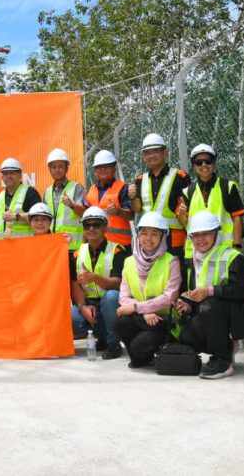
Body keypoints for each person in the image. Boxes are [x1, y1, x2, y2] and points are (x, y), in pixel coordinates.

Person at [176, 212, 244, 379]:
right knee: (186, 336)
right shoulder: (194, 259)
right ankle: (227, 347)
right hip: (212, 312)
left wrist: (209, 291)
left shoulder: (234, 257)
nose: (201, 239)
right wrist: (188, 303)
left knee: (210, 305)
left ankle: (223, 362)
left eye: (206, 233)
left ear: (217, 233)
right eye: (196, 235)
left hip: (238, 315)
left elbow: (242, 292)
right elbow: (197, 291)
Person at [113, 212, 182, 368]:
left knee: (140, 345)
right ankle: (139, 357)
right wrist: (144, 311)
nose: (148, 239)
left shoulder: (171, 261)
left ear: (162, 237)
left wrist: (138, 307)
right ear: (138, 235)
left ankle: (144, 353)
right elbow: (124, 298)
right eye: (144, 233)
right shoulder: (129, 262)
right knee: (119, 322)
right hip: (142, 317)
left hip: (163, 321)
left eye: (154, 234)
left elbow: (168, 298)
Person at [69, 207, 128, 360]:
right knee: (72, 317)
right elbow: (75, 284)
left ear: (105, 227)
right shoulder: (77, 253)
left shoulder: (117, 251)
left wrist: (94, 277)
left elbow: (117, 284)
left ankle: (113, 344)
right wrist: (82, 307)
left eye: (96, 224)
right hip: (89, 306)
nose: (91, 228)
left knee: (111, 297)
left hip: (110, 307)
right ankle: (101, 338)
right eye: (87, 225)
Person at [129, 133, 190, 260]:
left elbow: (186, 213)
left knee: (175, 276)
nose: (151, 156)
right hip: (149, 241)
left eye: (155, 151)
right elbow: (137, 209)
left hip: (173, 241)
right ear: (143, 157)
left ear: (165, 152)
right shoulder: (140, 180)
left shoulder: (180, 176)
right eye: (147, 153)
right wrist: (133, 197)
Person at [178, 144, 244, 260]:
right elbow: (183, 222)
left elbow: (237, 218)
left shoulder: (228, 187)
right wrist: (181, 214)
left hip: (223, 252)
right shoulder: (188, 191)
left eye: (208, 161)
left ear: (214, 164)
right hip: (195, 254)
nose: (204, 165)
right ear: (193, 166)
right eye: (199, 162)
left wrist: (237, 247)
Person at [85, 150, 133, 247]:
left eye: (107, 166)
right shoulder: (91, 190)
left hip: (119, 246)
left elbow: (131, 215)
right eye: (99, 167)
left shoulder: (123, 187)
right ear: (95, 171)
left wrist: (119, 211)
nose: (103, 169)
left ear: (114, 168)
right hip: (97, 246)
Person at [43, 148, 85, 251]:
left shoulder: (77, 188)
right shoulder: (47, 192)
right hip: (53, 248)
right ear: (49, 169)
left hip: (73, 248)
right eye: (54, 167)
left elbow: (84, 213)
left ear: (67, 168)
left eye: (61, 166)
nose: (57, 170)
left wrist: (72, 205)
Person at [0, 158, 41, 239]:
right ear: (1, 177)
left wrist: (16, 217)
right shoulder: (0, 196)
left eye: (12, 173)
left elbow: (39, 218)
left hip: (25, 247)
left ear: (20, 174)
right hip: (3, 248)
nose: (8, 176)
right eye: (5, 173)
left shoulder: (30, 193)